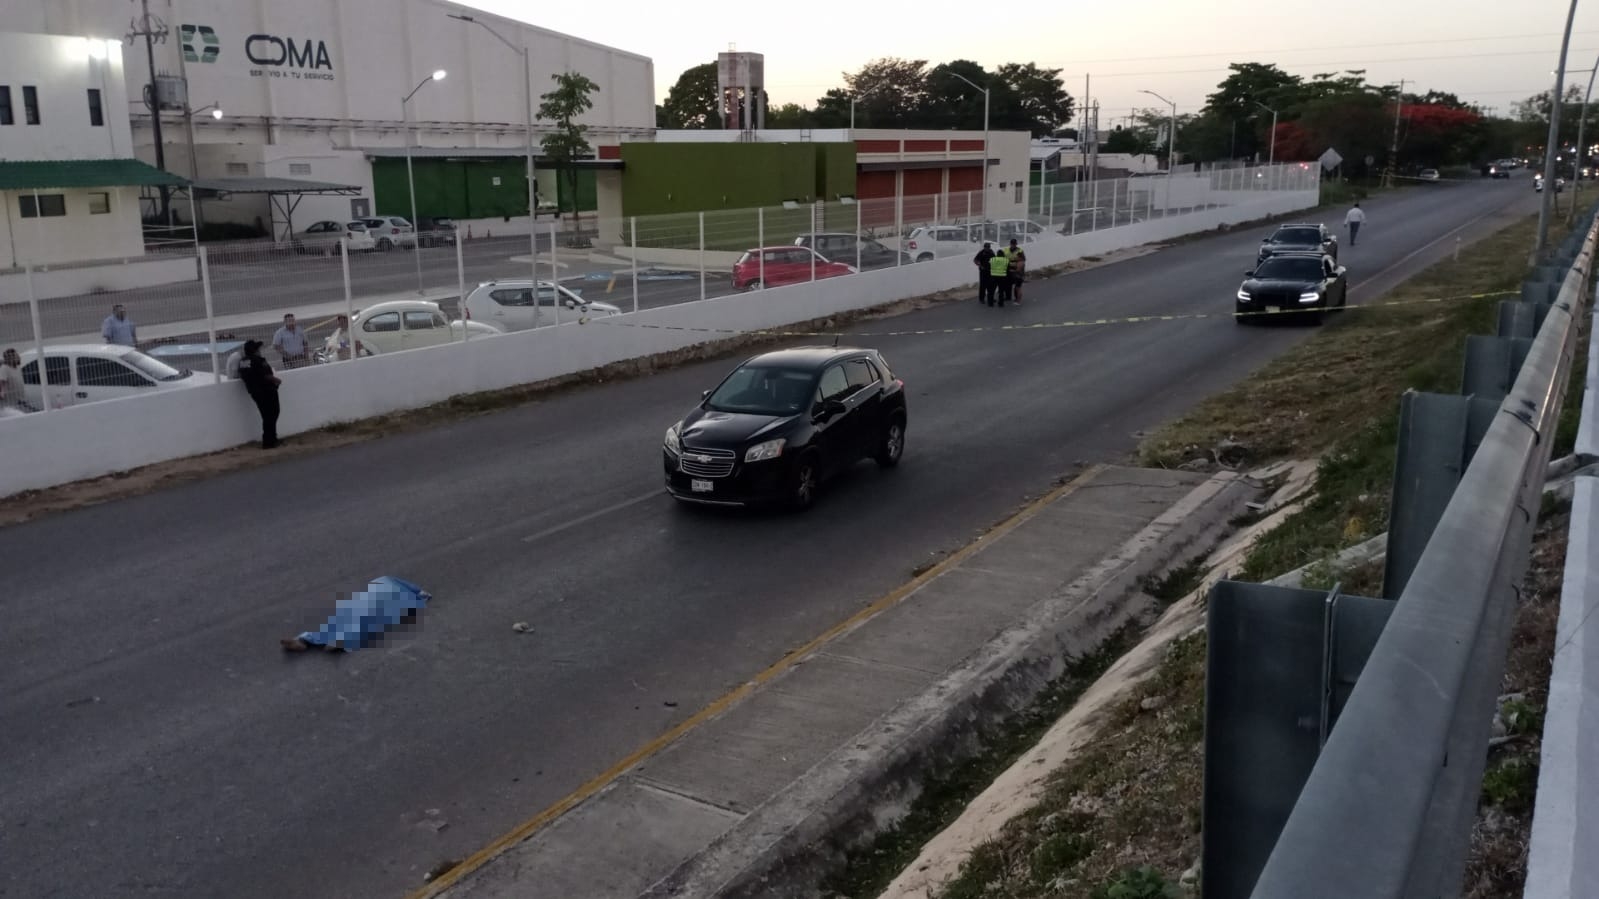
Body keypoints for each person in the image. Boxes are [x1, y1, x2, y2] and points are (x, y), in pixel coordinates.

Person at [236, 340, 282, 449]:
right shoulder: (258, 360)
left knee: (266, 415)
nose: (259, 351)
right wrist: (277, 380)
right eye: (258, 349)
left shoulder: (243, 362)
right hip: (267, 390)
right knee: (272, 414)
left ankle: (271, 439)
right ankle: (269, 441)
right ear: (255, 351)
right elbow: (266, 375)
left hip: (254, 392)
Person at [0, 348, 33, 412]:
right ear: (9, 358)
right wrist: (2, 393)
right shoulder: (4, 368)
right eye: (15, 356)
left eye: (16, 355)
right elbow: (2, 382)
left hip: (21, 399)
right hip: (11, 402)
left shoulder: (18, 367)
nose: (17, 357)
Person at [1007, 239, 1028, 304]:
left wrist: (1016, 261)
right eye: (1012, 244)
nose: (1013, 245)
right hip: (1009, 269)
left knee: (1017, 286)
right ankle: (1008, 297)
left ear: (1016, 244)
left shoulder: (1020, 251)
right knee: (1008, 284)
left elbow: (1023, 260)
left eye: (1014, 244)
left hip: (1016, 270)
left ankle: (1017, 299)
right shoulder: (1006, 250)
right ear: (1010, 244)